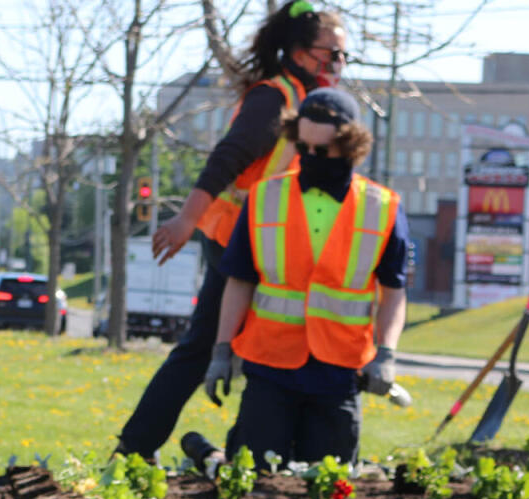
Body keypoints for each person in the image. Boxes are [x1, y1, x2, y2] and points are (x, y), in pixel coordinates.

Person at [115, 0, 348, 459]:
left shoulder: (305, 99)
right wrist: (186, 217)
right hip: (234, 239)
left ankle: (259, 450)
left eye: (343, 55)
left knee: (248, 345)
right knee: (203, 346)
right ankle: (136, 448)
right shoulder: (274, 98)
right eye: (333, 53)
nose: (339, 64)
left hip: (264, 244)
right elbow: (228, 158)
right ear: (301, 52)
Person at [203, 87, 408, 467]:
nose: (310, 158)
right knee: (254, 477)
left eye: (322, 151)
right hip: (269, 366)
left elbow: (393, 292)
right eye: (304, 148)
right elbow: (240, 282)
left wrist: (387, 354)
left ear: (350, 147)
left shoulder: (383, 208)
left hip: (339, 370)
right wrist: (221, 349)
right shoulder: (263, 198)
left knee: (328, 486)